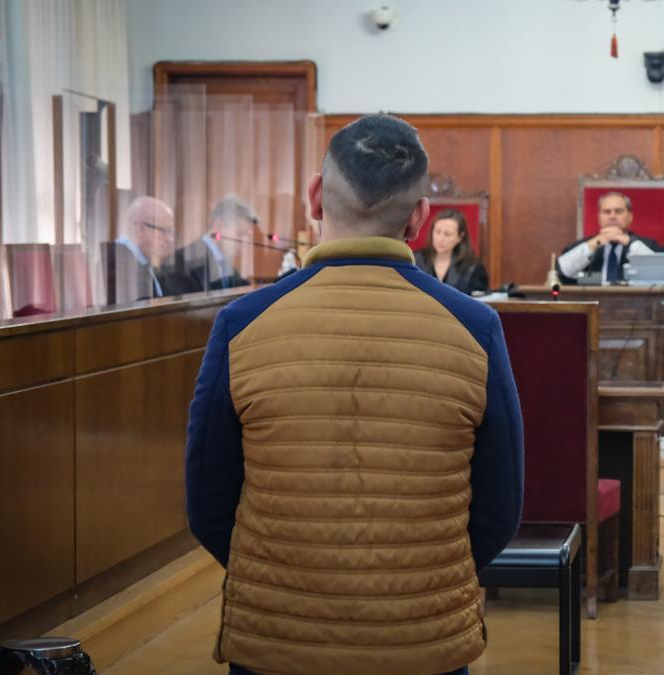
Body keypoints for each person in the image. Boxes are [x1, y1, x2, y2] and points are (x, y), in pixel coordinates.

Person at [185, 113, 524, 675]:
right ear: (420, 218)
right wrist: (425, 577)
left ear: (315, 197)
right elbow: (500, 507)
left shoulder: (241, 324)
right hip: (423, 641)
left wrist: (278, 574)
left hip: (277, 640)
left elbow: (208, 503)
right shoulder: (475, 328)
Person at [556, 191, 664, 283]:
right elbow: (563, 270)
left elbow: (663, 273)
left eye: (619, 211)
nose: (612, 216)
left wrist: (630, 243)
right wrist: (593, 244)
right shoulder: (585, 245)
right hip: (592, 305)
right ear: (599, 217)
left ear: (630, 217)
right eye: (607, 212)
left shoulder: (649, 245)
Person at [163, 194, 257, 294]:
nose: (245, 242)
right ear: (219, 226)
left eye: (247, 236)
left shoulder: (227, 265)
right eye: (240, 234)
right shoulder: (181, 261)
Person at [110, 196, 175, 302]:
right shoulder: (118, 263)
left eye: (171, 231)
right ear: (139, 228)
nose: (170, 239)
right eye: (165, 230)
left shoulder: (142, 260)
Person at [414, 208, 489, 294]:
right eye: (438, 232)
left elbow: (480, 301)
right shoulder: (415, 260)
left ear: (460, 237)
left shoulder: (472, 267)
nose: (441, 239)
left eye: (447, 234)